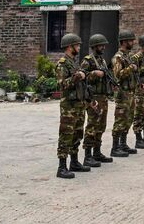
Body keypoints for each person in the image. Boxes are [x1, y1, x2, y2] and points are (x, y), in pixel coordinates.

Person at [55, 33, 91, 179]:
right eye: (77, 45)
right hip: (68, 106)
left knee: (77, 133)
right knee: (66, 135)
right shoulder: (62, 64)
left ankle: (74, 162)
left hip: (79, 104)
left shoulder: (74, 62)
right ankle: (62, 167)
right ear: (70, 47)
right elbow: (62, 84)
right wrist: (78, 76)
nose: (79, 47)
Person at [80, 34, 114, 168]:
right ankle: (88, 156)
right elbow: (81, 77)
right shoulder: (88, 61)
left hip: (103, 96)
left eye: (103, 45)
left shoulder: (102, 60)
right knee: (92, 125)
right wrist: (94, 73)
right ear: (94, 46)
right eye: (101, 45)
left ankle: (97, 152)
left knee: (101, 125)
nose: (103, 47)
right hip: (93, 97)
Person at [110, 30, 139, 157]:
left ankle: (123, 144)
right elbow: (118, 75)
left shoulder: (128, 56)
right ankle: (115, 147)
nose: (133, 42)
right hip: (123, 93)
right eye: (131, 40)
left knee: (129, 118)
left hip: (131, 92)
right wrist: (130, 68)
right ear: (124, 42)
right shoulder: (118, 57)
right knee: (120, 120)